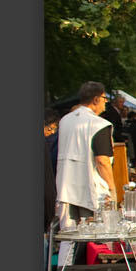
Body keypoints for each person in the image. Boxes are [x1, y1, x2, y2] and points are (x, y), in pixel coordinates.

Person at [54, 82, 116, 226]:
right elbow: (102, 161)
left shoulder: (65, 120)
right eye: (104, 98)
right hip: (90, 189)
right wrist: (112, 189)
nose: (105, 102)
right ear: (96, 99)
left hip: (65, 187)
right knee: (93, 236)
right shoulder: (99, 124)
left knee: (67, 239)